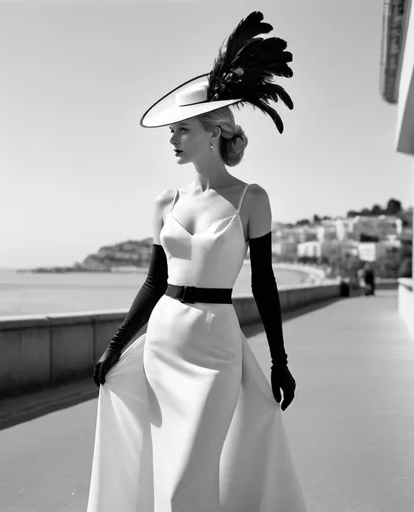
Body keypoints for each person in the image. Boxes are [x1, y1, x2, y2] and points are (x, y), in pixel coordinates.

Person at [87, 11, 308, 511]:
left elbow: (266, 284)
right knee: (170, 474)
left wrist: (280, 360)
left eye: (180, 130)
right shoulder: (165, 201)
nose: (172, 140)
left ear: (213, 132)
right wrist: (118, 346)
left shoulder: (252, 198)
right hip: (164, 340)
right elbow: (153, 282)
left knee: (191, 472)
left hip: (216, 346)